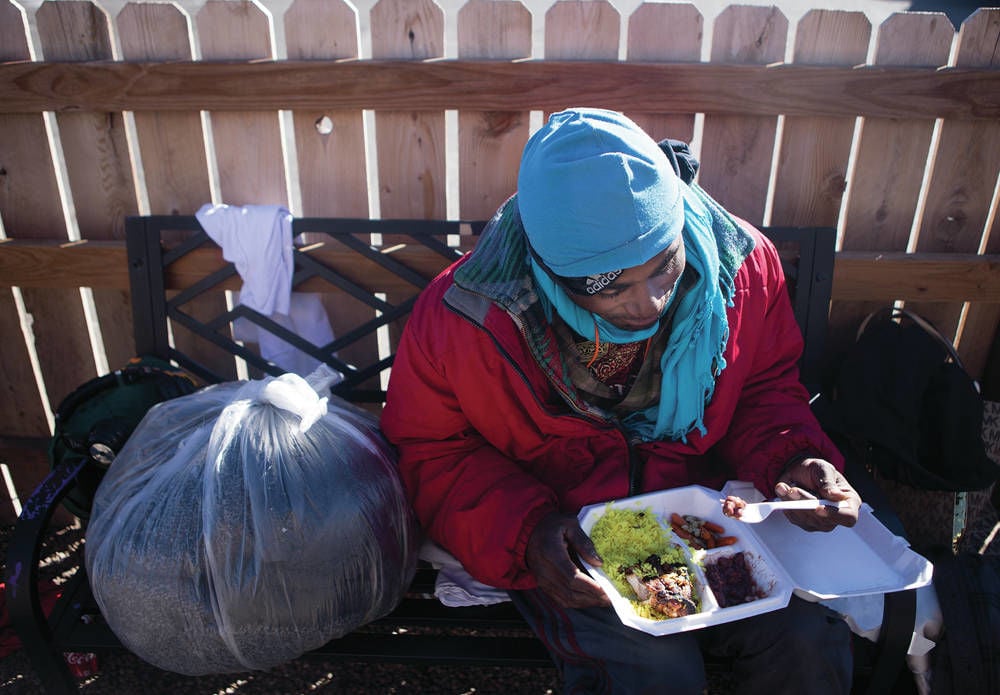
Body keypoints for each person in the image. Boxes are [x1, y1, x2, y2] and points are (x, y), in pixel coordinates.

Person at [380, 107, 862, 694]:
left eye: (665, 266)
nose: (651, 304)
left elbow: (762, 388)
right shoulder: (468, 318)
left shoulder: (739, 266)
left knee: (806, 644)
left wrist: (792, 459)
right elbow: (434, 450)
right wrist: (528, 532)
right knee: (656, 675)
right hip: (582, 533)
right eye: (608, 287)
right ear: (551, 271)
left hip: (706, 517)